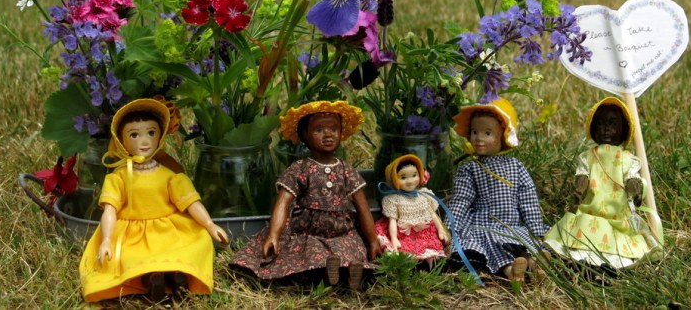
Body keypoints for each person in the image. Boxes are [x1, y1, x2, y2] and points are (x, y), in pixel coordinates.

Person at [79, 98, 228, 302]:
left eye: (151, 133)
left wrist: (209, 224)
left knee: (194, 242)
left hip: (168, 229)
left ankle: (176, 276)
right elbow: (110, 210)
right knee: (130, 257)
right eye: (134, 135)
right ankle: (152, 279)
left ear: (160, 136)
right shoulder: (119, 177)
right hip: (132, 234)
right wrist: (106, 240)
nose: (145, 141)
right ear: (122, 141)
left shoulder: (169, 176)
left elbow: (191, 203)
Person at [230, 101, 381, 289]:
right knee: (309, 251)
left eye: (334, 129)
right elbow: (283, 201)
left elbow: (363, 207)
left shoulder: (346, 170)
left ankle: (351, 272)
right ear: (304, 135)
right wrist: (274, 234)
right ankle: (329, 271)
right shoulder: (300, 168)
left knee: (352, 247)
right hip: (308, 230)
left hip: (342, 231)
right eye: (319, 130)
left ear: (341, 133)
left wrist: (372, 240)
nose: (328, 134)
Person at [545, 96, 657, 269]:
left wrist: (635, 190)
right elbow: (583, 174)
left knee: (616, 237)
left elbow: (631, 178)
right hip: (592, 210)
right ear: (592, 128)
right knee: (584, 228)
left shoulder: (628, 159)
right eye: (600, 124)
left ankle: (609, 264)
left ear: (624, 129)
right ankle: (583, 261)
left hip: (617, 214)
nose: (606, 129)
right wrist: (580, 189)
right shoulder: (588, 156)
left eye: (613, 124)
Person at [446, 97, 549, 283]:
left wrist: (536, 229)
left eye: (487, 133)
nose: (478, 138)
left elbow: (528, 200)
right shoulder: (470, 169)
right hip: (484, 224)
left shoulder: (516, 166)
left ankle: (535, 265)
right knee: (492, 245)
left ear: (504, 135)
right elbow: (461, 200)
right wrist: (450, 228)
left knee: (526, 242)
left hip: (512, 225)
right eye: (474, 132)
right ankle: (513, 272)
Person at [374, 154, 448, 267]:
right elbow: (392, 220)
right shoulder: (394, 199)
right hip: (404, 234)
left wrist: (441, 230)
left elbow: (432, 214)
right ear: (394, 179)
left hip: (425, 232)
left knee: (431, 246)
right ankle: (411, 263)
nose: (410, 181)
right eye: (403, 177)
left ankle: (431, 262)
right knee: (404, 250)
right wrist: (394, 238)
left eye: (414, 175)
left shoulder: (424, 194)